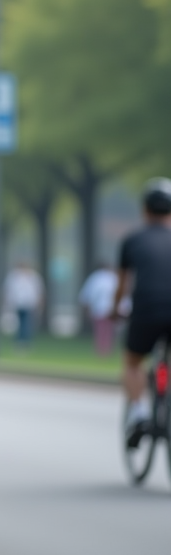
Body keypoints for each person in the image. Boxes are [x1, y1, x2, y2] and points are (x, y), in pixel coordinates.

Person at [112, 177, 171, 444]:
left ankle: (138, 413)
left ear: (144, 210)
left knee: (132, 364)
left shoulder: (132, 240)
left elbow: (122, 285)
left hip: (146, 311)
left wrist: (115, 311)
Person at [78, 261, 119, 356]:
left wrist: (87, 308)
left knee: (100, 331)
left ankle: (101, 351)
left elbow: (87, 294)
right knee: (109, 331)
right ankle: (106, 351)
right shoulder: (113, 277)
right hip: (111, 309)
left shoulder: (95, 277)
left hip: (99, 309)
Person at [3, 260, 43, 349]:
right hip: (18, 303)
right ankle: (20, 341)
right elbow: (8, 290)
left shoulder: (33, 276)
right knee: (20, 323)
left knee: (26, 323)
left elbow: (38, 290)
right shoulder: (14, 276)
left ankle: (24, 341)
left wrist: (38, 302)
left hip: (29, 303)